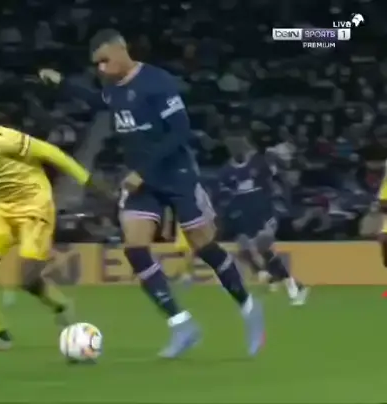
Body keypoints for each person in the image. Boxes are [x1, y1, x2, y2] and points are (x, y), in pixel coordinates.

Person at [38, 29, 264, 358]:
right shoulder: (112, 88)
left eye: (104, 60)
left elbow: (180, 131)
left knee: (204, 246)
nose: (101, 68)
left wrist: (143, 170)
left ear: (121, 50)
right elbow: (99, 102)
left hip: (176, 175)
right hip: (143, 184)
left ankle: (249, 307)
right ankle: (182, 325)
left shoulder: (157, 82)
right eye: (96, 64)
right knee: (135, 248)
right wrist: (62, 84)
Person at [0, 99, 113, 352]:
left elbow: (49, 152)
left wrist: (87, 180)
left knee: (28, 280)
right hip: (1, 211)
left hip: (35, 205)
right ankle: (0, 336)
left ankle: (62, 306)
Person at [218, 134, 308, 306]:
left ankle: (291, 284)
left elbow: (275, 174)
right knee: (249, 248)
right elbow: (226, 197)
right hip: (244, 215)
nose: (237, 150)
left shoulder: (258, 163)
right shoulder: (225, 172)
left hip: (264, 211)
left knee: (263, 244)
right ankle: (280, 279)